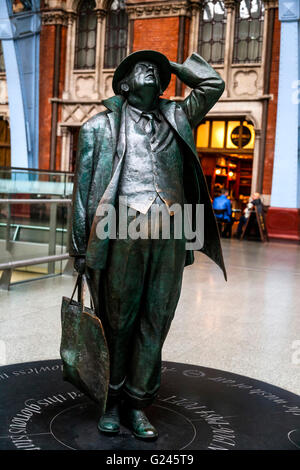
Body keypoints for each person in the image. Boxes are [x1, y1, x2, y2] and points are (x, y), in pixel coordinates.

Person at [70, 50, 226, 440]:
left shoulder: (178, 116)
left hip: (173, 230)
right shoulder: (99, 128)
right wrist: (79, 247)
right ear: (123, 85)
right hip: (121, 228)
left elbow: (213, 84)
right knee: (118, 323)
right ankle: (110, 400)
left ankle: (138, 405)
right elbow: (83, 191)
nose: (152, 73)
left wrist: (170, 65)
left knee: (157, 320)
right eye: (143, 68)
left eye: (157, 72)